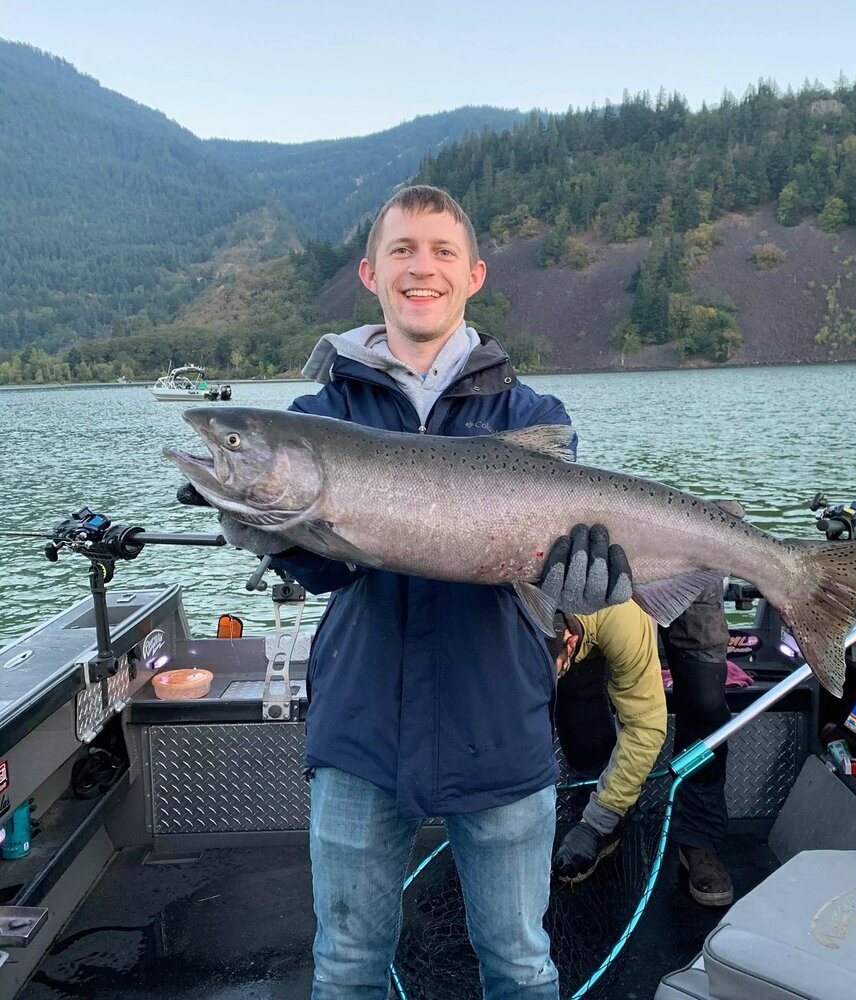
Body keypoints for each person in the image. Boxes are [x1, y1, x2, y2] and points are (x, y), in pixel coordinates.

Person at [205, 186, 632, 999]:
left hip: (499, 727)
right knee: (347, 967)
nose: (420, 267)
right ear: (372, 273)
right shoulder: (320, 413)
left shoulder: (533, 412)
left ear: (473, 274)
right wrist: (281, 536)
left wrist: (578, 584)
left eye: (440, 251)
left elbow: (558, 579)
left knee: (519, 964)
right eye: (402, 250)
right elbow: (332, 569)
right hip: (360, 729)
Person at [548, 602, 667, 883]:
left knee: (703, 698)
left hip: (626, 601)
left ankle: (605, 823)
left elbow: (645, 723)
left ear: (570, 642)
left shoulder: (622, 615)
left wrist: (597, 822)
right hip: (563, 622)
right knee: (576, 714)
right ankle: (586, 802)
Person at [659, 514, 742, 908]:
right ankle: (600, 825)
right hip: (589, 550)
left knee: (707, 710)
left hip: (690, 552)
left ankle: (698, 839)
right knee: (581, 695)